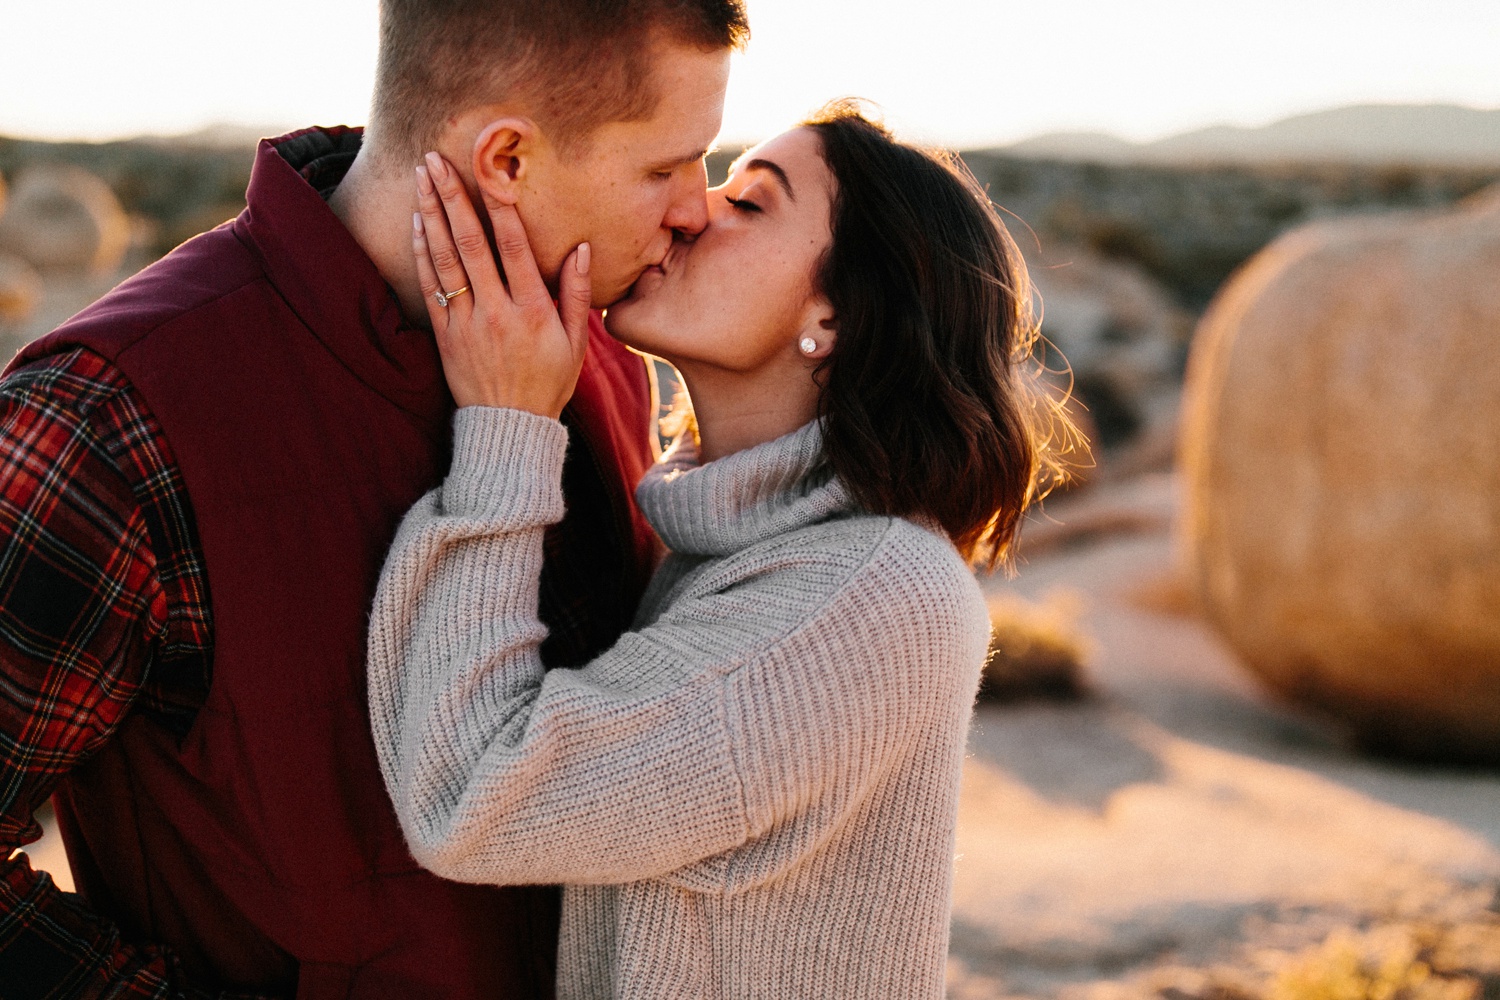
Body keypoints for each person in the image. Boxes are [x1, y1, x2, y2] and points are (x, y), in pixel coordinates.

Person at [0, 1, 747, 996]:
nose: (697, 206)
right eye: (666, 167)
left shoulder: (603, 353)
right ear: (508, 159)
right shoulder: (113, 415)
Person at [368, 102, 1079, 999]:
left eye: (750, 203)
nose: (693, 210)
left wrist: (507, 426)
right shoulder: (743, 551)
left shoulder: (871, 595)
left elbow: (473, 799)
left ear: (841, 313)